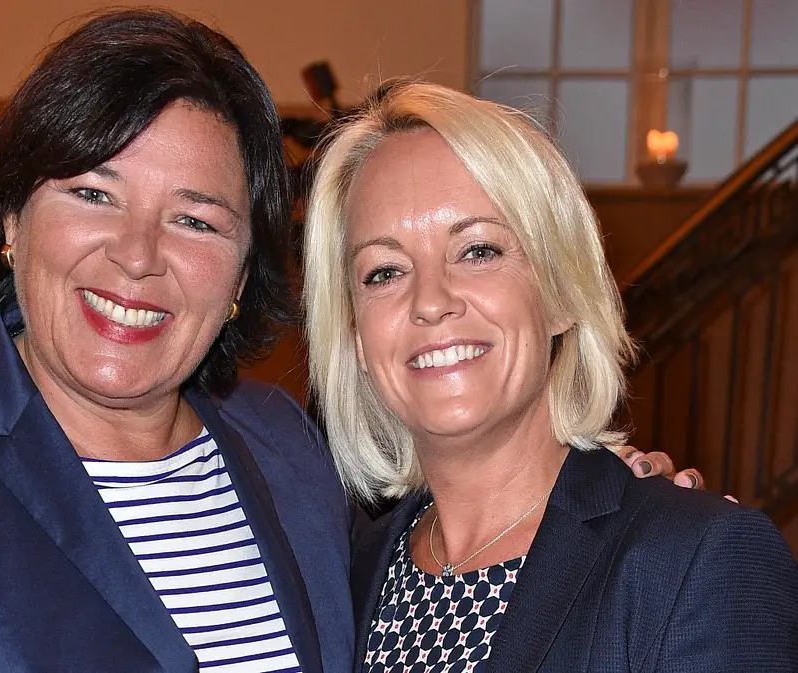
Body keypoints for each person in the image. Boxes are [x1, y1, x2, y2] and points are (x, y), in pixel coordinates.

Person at [0, 9, 698, 673]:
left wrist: (613, 512)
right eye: (94, 194)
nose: (137, 256)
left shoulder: (284, 446)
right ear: (15, 219)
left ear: (238, 276)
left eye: (196, 219)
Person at [302, 79, 798, 672]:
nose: (430, 302)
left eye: (478, 251)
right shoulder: (344, 581)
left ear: (560, 293)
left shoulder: (694, 561)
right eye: (384, 272)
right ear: (356, 336)